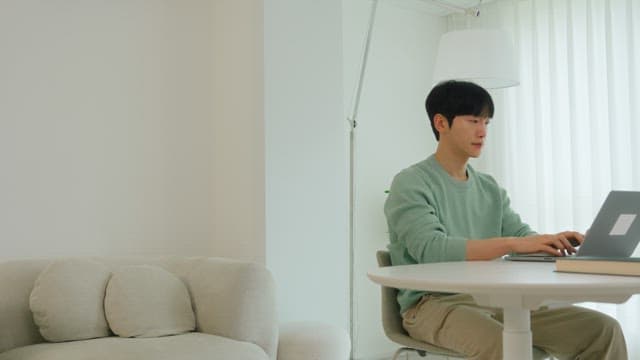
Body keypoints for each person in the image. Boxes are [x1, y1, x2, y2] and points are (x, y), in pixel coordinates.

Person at [383, 80, 627, 360]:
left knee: (602, 330)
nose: (483, 131)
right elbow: (431, 250)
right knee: (507, 347)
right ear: (441, 123)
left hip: (498, 302)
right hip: (433, 306)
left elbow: (521, 235)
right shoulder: (411, 183)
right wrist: (514, 243)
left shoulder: (489, 188)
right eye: (474, 120)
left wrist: (552, 241)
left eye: (487, 122)